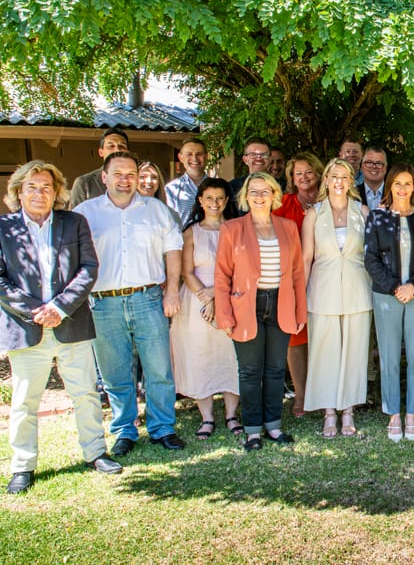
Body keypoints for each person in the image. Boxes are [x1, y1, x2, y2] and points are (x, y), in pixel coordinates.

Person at [1, 161, 121, 494]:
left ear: (56, 192)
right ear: (18, 192)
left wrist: (59, 307)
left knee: (85, 392)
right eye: (32, 187)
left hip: (71, 323)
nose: (39, 193)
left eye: (46, 187)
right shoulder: (3, 228)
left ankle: (96, 453)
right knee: (25, 400)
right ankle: (23, 465)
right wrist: (35, 310)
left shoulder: (74, 223)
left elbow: (88, 268)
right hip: (27, 328)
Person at [75, 151, 185, 455]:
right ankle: (125, 430)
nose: (125, 180)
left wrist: (172, 291)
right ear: (104, 177)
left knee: (159, 368)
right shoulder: (86, 212)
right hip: (103, 302)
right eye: (118, 174)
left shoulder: (156, 210)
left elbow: (173, 249)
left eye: (131, 174)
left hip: (148, 298)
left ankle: (163, 428)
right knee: (115, 372)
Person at [215, 172, 306, 450]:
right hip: (247, 305)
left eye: (264, 191)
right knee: (250, 371)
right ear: (245, 196)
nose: (259, 196)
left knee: (276, 369)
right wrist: (225, 314)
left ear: (274, 195)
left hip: (281, 303)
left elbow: (298, 274)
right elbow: (222, 276)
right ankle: (253, 429)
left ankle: (274, 426)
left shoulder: (288, 227)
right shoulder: (232, 229)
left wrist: (300, 312)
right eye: (253, 191)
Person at [301, 159, 372, 438]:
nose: (339, 181)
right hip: (322, 289)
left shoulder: (362, 211)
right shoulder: (314, 214)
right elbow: (307, 257)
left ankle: (348, 411)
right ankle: (329, 411)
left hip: (357, 289)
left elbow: (371, 254)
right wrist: (301, 295)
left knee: (354, 351)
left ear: (351, 180)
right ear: (326, 181)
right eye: (334, 176)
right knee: (325, 351)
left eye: (344, 176)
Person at [365, 163, 414, 442]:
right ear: (389, 186)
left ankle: (412, 414)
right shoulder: (376, 217)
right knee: (390, 355)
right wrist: (395, 286)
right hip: (386, 295)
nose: (403, 189)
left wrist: (413, 285)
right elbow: (370, 259)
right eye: (398, 183)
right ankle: (394, 413)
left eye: (408, 183)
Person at [169, 178, 241, 440]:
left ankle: (232, 414)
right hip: (197, 301)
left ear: (226, 201)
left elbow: (240, 268)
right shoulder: (191, 232)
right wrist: (208, 298)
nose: (215, 203)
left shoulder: (236, 229)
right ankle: (207, 417)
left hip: (232, 297)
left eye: (220, 198)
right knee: (201, 355)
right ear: (200, 201)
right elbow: (187, 272)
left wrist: (219, 296)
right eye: (209, 198)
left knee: (230, 355)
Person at [272, 151, 324, 416]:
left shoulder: (329, 201)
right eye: (297, 173)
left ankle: (324, 392)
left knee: (325, 335)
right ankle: (301, 395)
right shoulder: (283, 204)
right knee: (296, 337)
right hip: (294, 277)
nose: (303, 177)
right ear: (292, 178)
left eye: (308, 171)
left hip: (326, 276)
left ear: (318, 172)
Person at [68, 128, 129, 208]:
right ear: (101, 152)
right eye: (111, 146)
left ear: (127, 151)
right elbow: (74, 218)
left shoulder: (135, 181)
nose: (117, 150)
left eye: (122, 146)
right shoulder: (85, 183)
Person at [165, 138, 209, 225]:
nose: (195, 159)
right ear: (180, 157)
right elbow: (169, 223)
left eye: (199, 154)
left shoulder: (218, 187)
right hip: (183, 238)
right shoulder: (171, 189)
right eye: (189, 154)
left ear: (206, 156)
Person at [229, 137, 271, 203]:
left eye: (264, 154)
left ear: (270, 159)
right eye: (253, 154)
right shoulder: (233, 187)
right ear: (245, 160)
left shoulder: (281, 186)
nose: (259, 158)